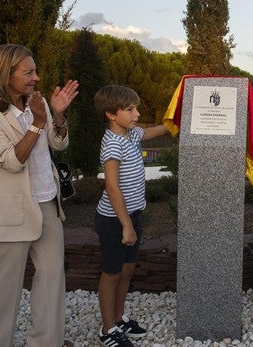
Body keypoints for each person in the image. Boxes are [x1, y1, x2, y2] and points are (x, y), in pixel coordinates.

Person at [0, 44, 78, 347]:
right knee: (5, 289)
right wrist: (37, 123)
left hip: (48, 204)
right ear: (5, 74)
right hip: (12, 213)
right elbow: (11, 161)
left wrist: (57, 116)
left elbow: (58, 146)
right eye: (28, 72)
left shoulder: (36, 102)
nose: (36, 78)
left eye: (35, 70)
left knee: (51, 282)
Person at [93, 85, 169, 346]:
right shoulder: (112, 143)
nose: (136, 113)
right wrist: (126, 225)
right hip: (115, 220)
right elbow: (112, 187)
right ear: (111, 115)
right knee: (111, 273)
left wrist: (173, 123)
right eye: (130, 109)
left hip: (132, 215)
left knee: (126, 271)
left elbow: (151, 131)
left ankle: (118, 318)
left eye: (136, 108)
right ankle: (107, 330)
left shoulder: (131, 135)